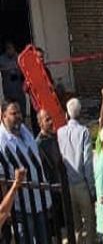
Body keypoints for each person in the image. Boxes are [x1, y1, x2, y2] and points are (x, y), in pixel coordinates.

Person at [0, 101, 53, 242]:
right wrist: (8, 211)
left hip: (39, 200)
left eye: (19, 113)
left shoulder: (23, 129)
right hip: (21, 208)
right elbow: (2, 180)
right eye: (13, 113)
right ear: (3, 116)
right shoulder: (1, 142)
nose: (18, 116)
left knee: (44, 239)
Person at [57, 98, 96, 244]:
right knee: (90, 223)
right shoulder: (84, 132)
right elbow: (87, 162)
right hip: (82, 184)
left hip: (67, 184)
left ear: (66, 113)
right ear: (79, 114)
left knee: (75, 225)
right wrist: (92, 189)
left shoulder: (60, 132)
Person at [36, 110, 70, 233]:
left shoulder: (55, 137)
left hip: (60, 187)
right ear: (40, 123)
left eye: (51, 118)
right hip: (51, 190)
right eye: (47, 120)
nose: (51, 122)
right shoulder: (39, 144)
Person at [0, 41, 25, 117]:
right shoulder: (1, 59)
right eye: (8, 49)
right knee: (11, 113)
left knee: (21, 112)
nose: (10, 50)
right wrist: (9, 68)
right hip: (8, 92)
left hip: (19, 91)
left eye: (11, 48)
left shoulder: (19, 57)